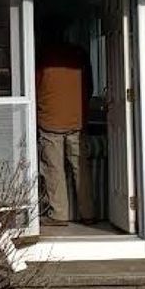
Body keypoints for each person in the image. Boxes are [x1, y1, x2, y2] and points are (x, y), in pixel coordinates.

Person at [35, 33, 92, 225]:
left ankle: (59, 214)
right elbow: (89, 86)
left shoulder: (41, 55)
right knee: (81, 168)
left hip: (49, 118)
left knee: (53, 170)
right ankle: (88, 212)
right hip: (76, 118)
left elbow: (33, 86)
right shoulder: (79, 54)